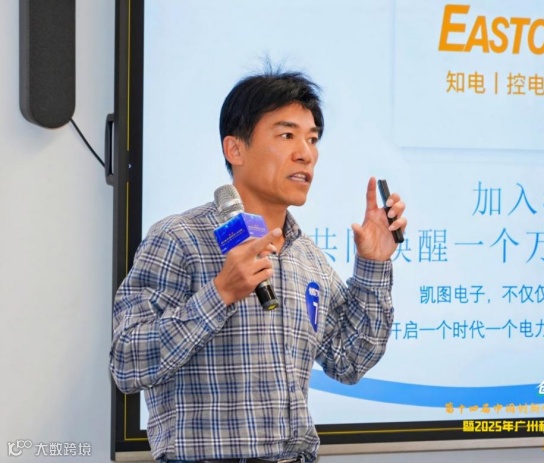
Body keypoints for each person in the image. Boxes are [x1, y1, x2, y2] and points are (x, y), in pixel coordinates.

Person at [110, 69, 407, 463]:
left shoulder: (307, 259)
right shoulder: (180, 238)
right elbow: (127, 363)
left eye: (312, 138)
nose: (306, 153)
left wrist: (373, 264)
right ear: (235, 149)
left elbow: (350, 361)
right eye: (286, 135)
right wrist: (220, 294)